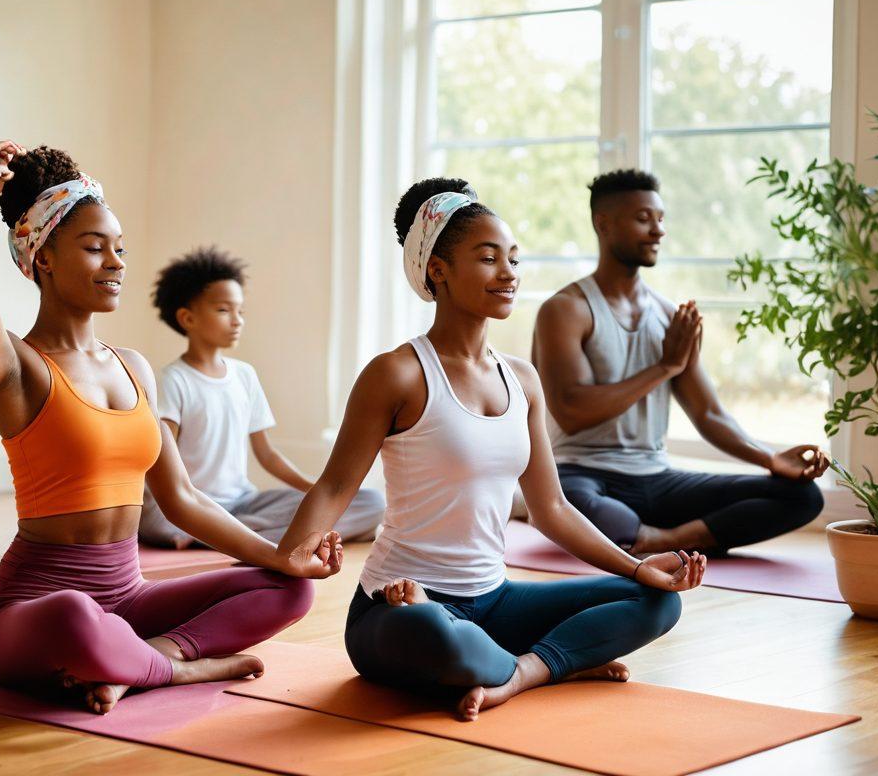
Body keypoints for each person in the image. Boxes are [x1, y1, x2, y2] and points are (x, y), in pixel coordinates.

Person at [276, 177, 705, 721]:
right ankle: (556, 662)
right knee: (436, 629)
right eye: (488, 258)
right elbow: (336, 486)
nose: (509, 274)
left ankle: (519, 671)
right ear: (439, 270)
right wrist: (283, 558)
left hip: (494, 601)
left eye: (514, 260)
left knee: (658, 600)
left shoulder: (521, 380)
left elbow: (551, 509)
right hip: (399, 607)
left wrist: (637, 567)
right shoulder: (397, 374)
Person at [0, 141, 336, 714]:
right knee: (76, 614)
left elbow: (180, 498)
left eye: (120, 249)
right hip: (34, 610)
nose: (117, 262)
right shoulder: (17, 368)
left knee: (288, 587)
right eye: (95, 247)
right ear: (44, 258)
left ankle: (143, 659)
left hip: (127, 599)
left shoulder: (134, 367)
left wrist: (278, 557)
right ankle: (179, 669)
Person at [532, 169, 828, 556]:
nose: (658, 231)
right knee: (567, 504)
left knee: (803, 498)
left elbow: (709, 414)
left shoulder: (670, 316)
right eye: (643, 219)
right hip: (584, 475)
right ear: (602, 223)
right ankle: (641, 533)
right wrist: (664, 367)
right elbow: (572, 411)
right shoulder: (566, 310)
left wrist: (770, 458)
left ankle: (665, 540)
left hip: (658, 479)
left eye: (660, 219)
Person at [139, 246, 384, 548]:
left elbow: (267, 455)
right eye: (223, 310)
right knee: (158, 522)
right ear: (188, 319)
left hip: (243, 503)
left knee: (371, 502)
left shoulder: (245, 375)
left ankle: (228, 536)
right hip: (189, 506)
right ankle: (224, 533)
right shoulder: (172, 380)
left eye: (240, 311)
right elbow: (162, 460)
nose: (237, 320)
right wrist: (190, 510)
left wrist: (319, 492)